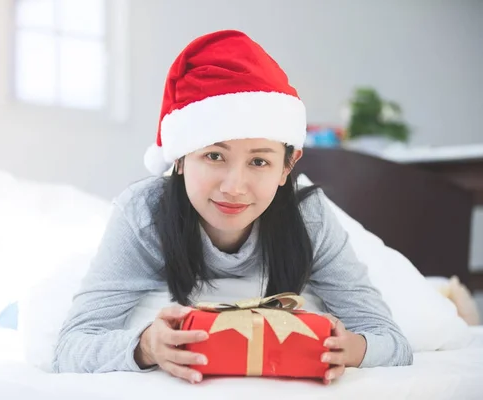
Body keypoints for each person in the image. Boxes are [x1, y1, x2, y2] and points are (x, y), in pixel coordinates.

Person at [53, 29, 413, 385]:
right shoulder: (143, 214)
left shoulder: (309, 218)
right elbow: (70, 346)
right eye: (213, 156)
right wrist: (146, 346)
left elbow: (392, 340)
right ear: (179, 159)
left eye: (259, 162)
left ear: (287, 167)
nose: (234, 187)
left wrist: (354, 349)